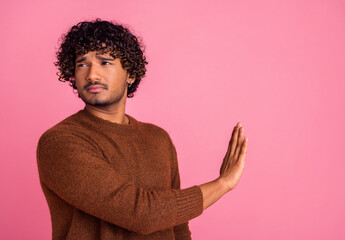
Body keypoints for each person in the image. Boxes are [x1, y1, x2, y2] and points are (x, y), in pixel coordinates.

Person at [36, 18, 248, 240]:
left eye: (105, 62)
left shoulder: (158, 139)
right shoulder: (60, 142)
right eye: (82, 64)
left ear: (131, 74)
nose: (92, 75)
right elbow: (142, 214)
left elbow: (177, 226)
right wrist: (224, 183)